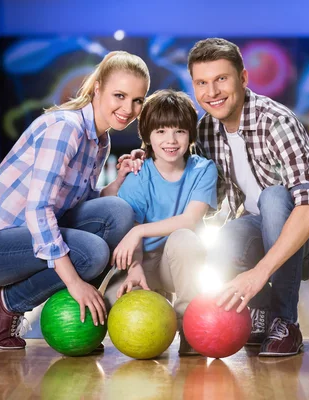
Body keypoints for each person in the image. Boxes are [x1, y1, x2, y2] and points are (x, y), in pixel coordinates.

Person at [121, 38, 309, 357]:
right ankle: (258, 313)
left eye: (221, 79)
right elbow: (173, 159)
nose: (212, 92)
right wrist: (141, 157)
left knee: (273, 197)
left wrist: (258, 274)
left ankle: (286, 322)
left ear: (243, 78)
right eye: (202, 83)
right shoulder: (206, 131)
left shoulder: (276, 122)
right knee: (224, 239)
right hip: (258, 229)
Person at [0, 51, 150, 350]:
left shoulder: (101, 141)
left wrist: (120, 179)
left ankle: (80, 317)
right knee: (92, 253)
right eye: (119, 95)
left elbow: (82, 203)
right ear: (97, 87)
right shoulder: (67, 128)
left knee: (118, 211)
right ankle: (7, 303)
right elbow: (39, 208)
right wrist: (76, 283)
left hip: (25, 237)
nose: (129, 108)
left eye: (137, 100)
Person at [105, 89, 217, 356]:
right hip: (141, 263)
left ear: (190, 133)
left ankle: (189, 325)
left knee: (185, 238)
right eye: (161, 131)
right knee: (115, 309)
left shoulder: (203, 170)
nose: (171, 140)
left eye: (179, 131)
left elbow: (189, 220)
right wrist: (134, 268)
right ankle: (158, 302)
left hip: (180, 263)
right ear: (147, 136)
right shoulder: (139, 174)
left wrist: (141, 231)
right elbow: (129, 228)